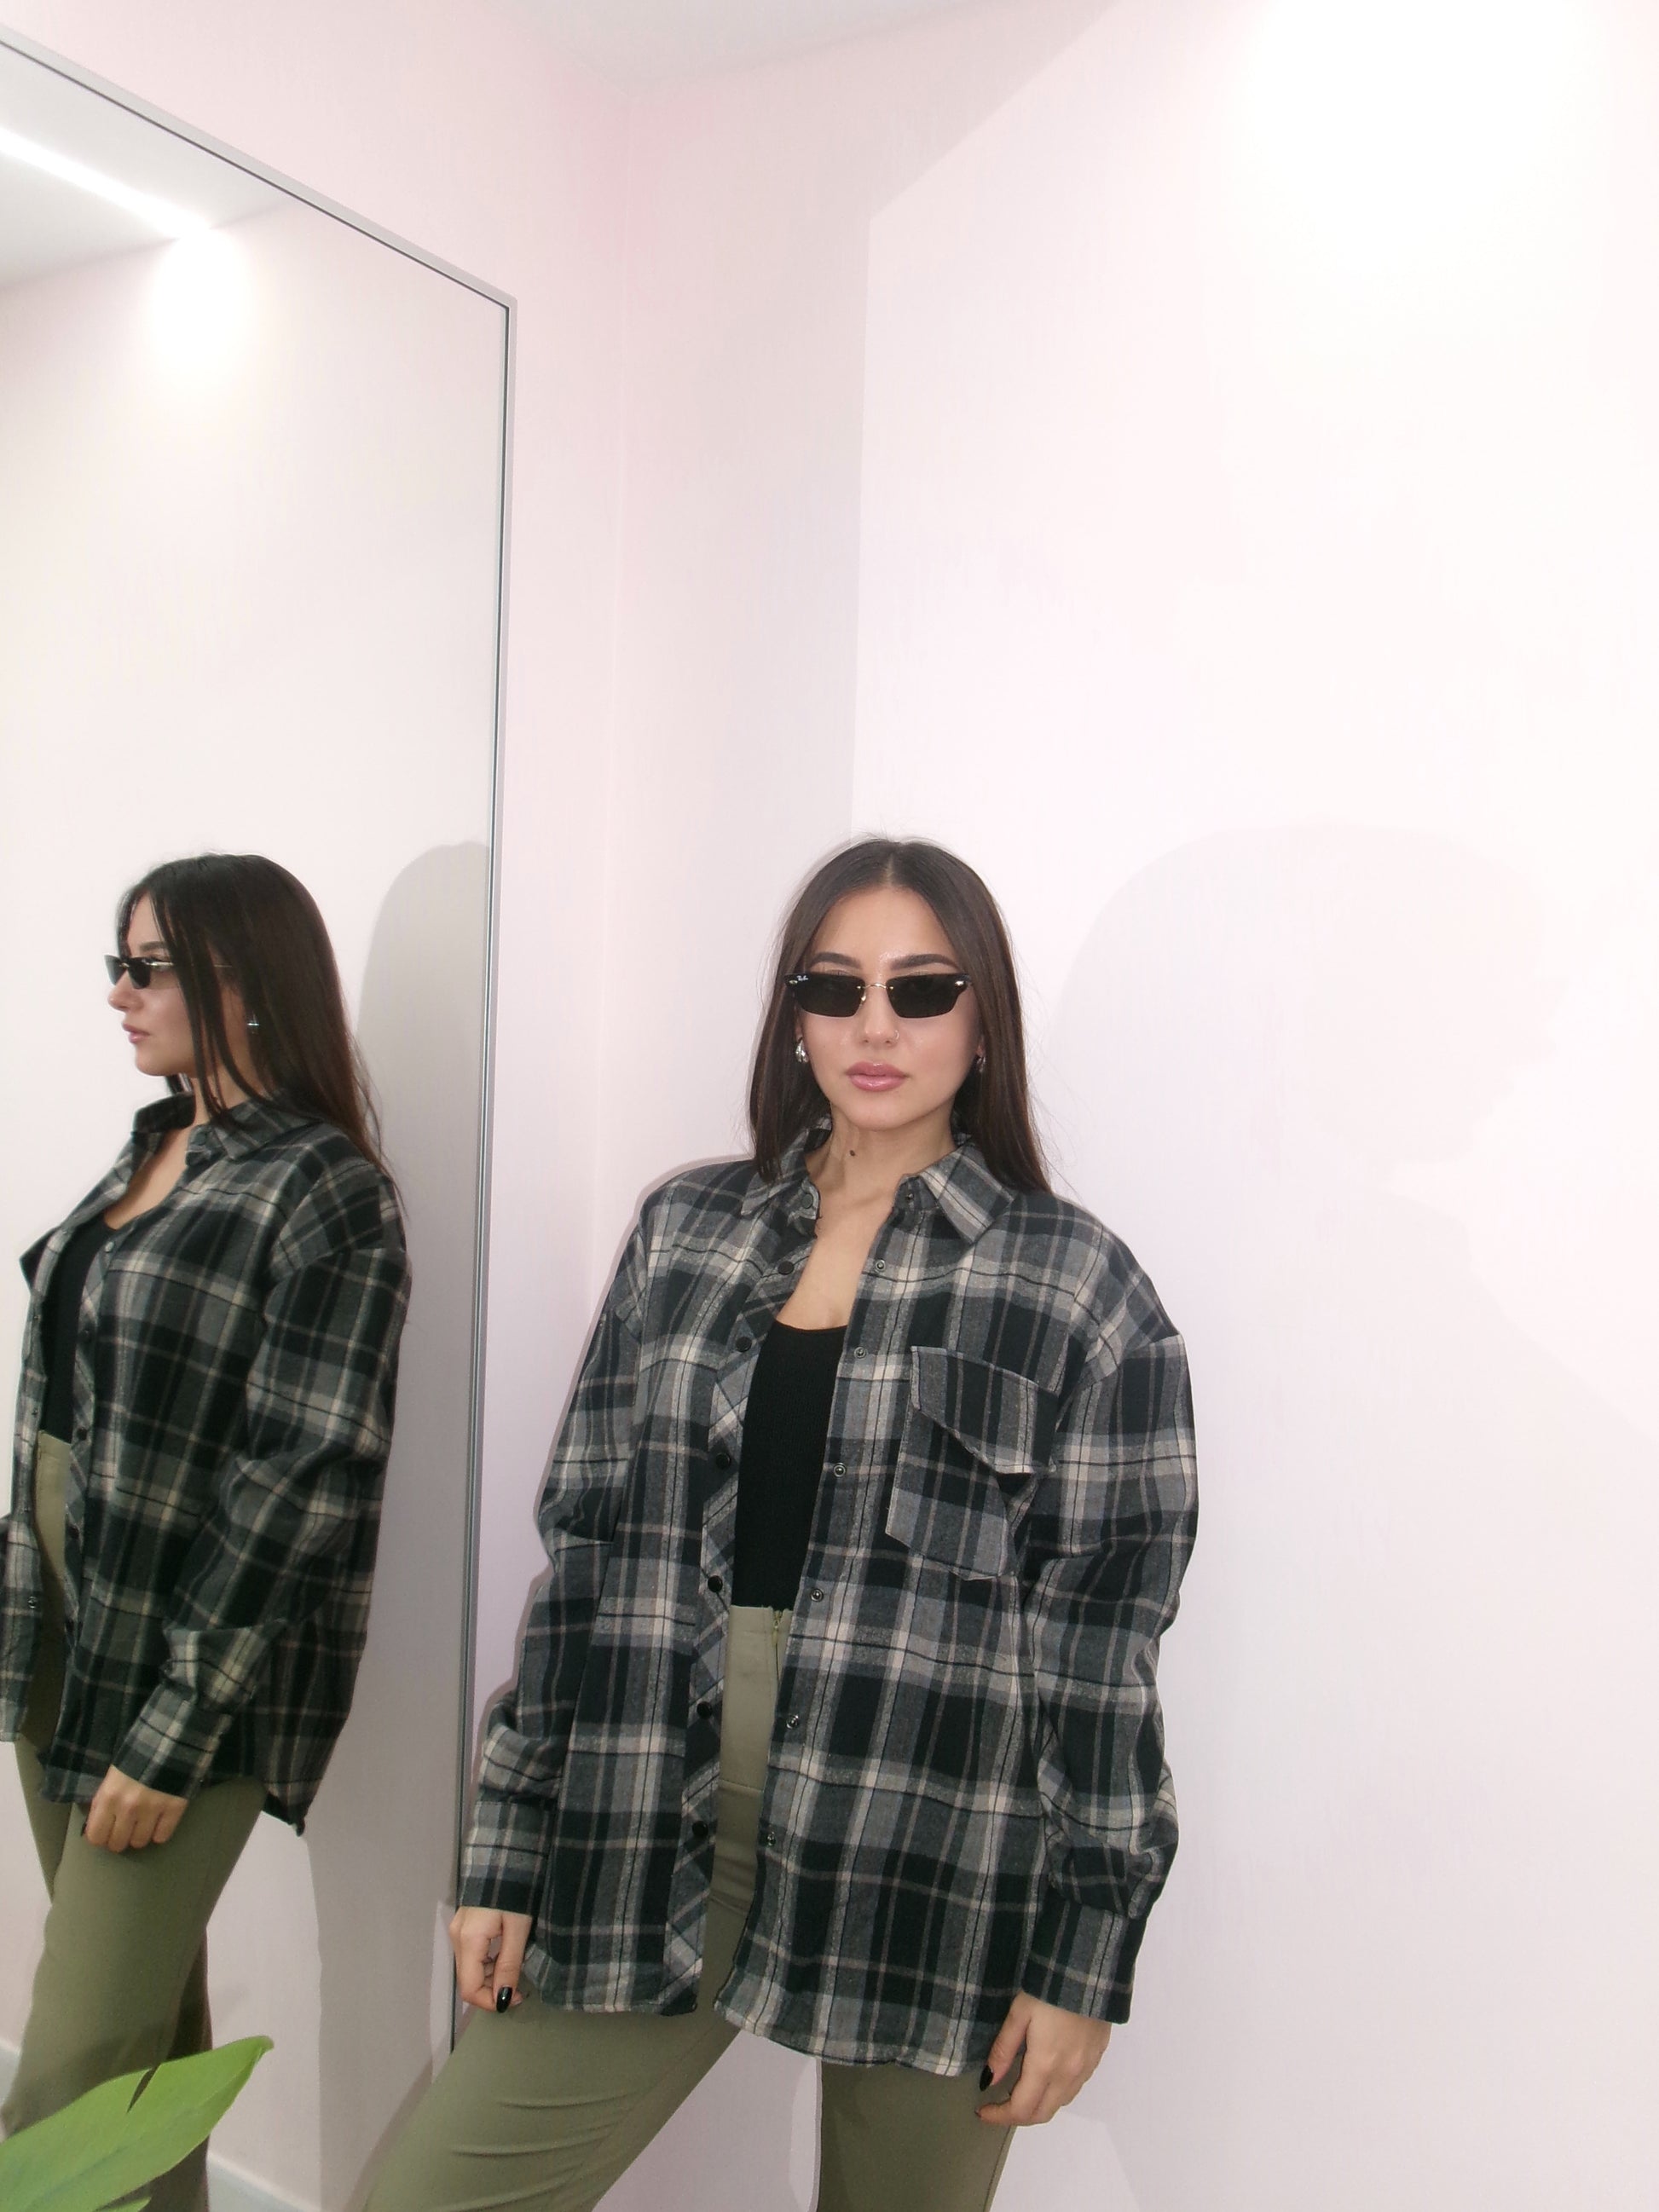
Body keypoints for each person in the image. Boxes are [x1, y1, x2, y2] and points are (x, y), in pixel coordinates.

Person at [368, 836, 1196, 2212]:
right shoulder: (685, 1230)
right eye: (834, 986)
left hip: (931, 1842)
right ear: (793, 1013)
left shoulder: (1076, 1286)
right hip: (645, 1804)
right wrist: (507, 1844)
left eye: (920, 990)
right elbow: (586, 1553)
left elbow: (1102, 1646)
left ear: (981, 1018)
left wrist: (1083, 1955)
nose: (874, 1025)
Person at [0, 854, 411, 2209]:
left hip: (188, 1664)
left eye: (148, 967)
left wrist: (176, 1728)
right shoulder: (152, 1144)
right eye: (116, 965)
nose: (119, 994)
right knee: (142, 2059)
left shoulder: (324, 1187)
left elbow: (304, 1479)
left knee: (63, 2105)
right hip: (63, 1629)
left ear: (242, 978)